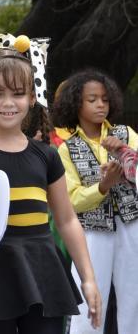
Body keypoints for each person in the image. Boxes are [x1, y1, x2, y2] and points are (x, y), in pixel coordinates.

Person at [0, 34, 101, 334]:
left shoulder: (46, 155)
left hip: (42, 271)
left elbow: (66, 220)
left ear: (31, 96)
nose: (8, 103)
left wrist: (88, 278)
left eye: (17, 93)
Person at [52, 69, 138, 334]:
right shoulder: (67, 148)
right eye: (92, 99)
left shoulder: (125, 134)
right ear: (76, 104)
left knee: (134, 296)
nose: (101, 105)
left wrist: (123, 153)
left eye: (105, 99)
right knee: (90, 298)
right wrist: (103, 186)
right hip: (91, 231)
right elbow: (71, 200)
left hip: (132, 224)